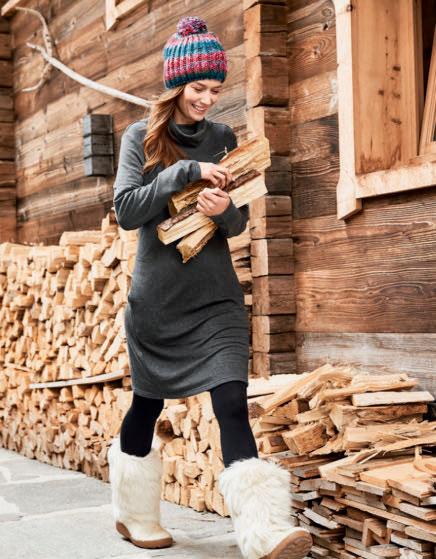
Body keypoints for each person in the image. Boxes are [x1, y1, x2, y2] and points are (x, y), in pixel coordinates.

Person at [107, 15, 312, 559]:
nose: (207, 99)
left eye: (216, 89)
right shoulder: (139, 138)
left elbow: (238, 222)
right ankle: (134, 513)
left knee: (231, 403)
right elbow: (127, 210)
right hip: (157, 304)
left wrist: (223, 212)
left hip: (216, 298)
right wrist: (184, 173)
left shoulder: (223, 137)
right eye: (199, 88)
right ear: (176, 85)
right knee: (147, 406)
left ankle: (262, 530)